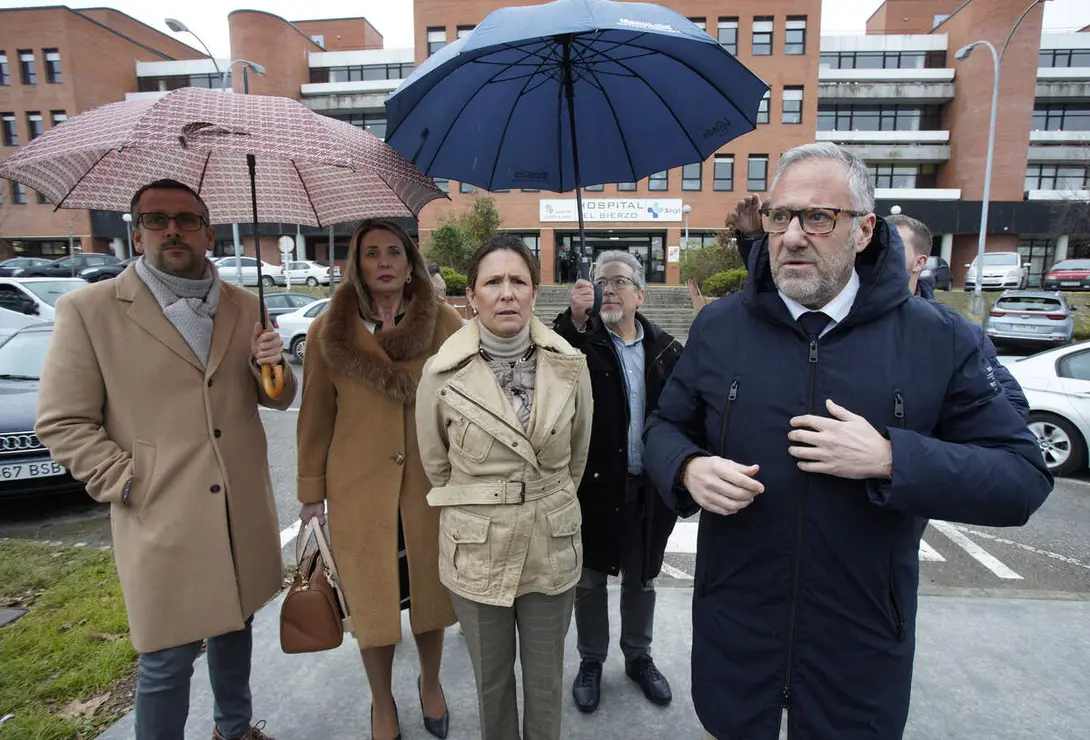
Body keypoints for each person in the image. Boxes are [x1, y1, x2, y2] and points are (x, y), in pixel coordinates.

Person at [644, 142, 1053, 740]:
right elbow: (662, 427)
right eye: (781, 217)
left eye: (818, 217)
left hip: (857, 656)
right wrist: (686, 469)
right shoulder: (720, 326)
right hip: (735, 638)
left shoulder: (938, 340)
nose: (791, 236)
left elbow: (1022, 479)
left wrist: (892, 457)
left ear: (863, 230)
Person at [35, 179, 296, 740]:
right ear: (136, 235)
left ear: (207, 232)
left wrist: (271, 366)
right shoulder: (89, 310)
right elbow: (62, 422)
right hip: (161, 517)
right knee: (166, 658)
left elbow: (277, 398)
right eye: (157, 219)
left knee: (237, 627)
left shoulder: (245, 303)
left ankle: (235, 728)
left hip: (238, 513)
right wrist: (127, 481)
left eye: (186, 219)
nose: (172, 229)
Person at [416, 234, 593, 740]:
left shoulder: (570, 366)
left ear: (535, 294)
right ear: (471, 296)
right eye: (493, 282)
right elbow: (438, 467)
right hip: (477, 550)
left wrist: (541, 502)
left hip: (550, 549)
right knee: (491, 687)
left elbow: (575, 460)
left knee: (545, 684)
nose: (507, 293)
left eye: (519, 280)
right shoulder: (440, 375)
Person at [296, 219, 463, 740]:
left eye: (395, 251)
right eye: (372, 253)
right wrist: (310, 496)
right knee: (372, 605)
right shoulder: (329, 331)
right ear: (358, 265)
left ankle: (431, 683)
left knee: (431, 598)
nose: (384, 261)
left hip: (427, 488)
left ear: (410, 262)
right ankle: (381, 702)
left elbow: (468, 403)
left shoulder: (446, 325)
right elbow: (315, 416)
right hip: (357, 492)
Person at [731, 200, 1029, 420]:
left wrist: (894, 457)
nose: (882, 253)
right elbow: (778, 288)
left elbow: (1009, 419)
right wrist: (756, 240)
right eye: (879, 245)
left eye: (895, 246)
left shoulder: (949, 336)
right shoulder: (836, 319)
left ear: (920, 262)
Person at [551, 251, 682, 713]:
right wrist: (573, 319)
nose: (609, 287)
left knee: (641, 578)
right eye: (601, 280)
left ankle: (638, 655)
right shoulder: (581, 344)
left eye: (620, 280)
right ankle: (591, 660)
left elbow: (685, 415)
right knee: (588, 581)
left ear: (640, 294)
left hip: (647, 488)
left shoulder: (666, 349)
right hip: (593, 487)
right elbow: (547, 360)